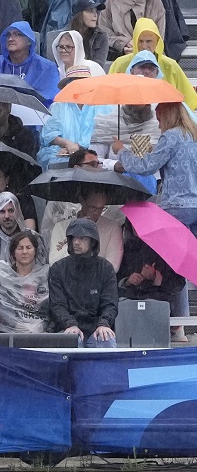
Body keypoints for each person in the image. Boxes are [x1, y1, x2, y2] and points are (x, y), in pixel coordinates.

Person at [116, 101, 197, 229]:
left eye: (159, 120)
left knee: (172, 246)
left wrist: (121, 151)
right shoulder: (193, 135)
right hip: (195, 204)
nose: (159, 126)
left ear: (167, 117)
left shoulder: (170, 136)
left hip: (176, 205)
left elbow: (145, 167)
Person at [45, 218, 119, 346]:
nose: (77, 242)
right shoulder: (58, 269)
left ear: (93, 242)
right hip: (66, 328)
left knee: (107, 340)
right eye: (74, 238)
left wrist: (104, 324)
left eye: (83, 238)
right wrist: (69, 324)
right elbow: (57, 305)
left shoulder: (105, 268)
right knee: (71, 340)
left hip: (96, 328)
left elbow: (110, 304)